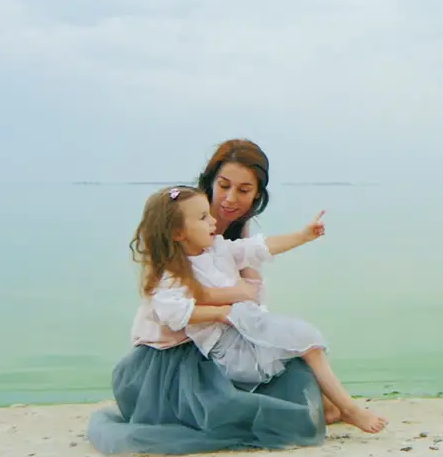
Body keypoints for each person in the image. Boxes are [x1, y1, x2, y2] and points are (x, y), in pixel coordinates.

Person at [86, 139, 355, 454]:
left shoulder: (228, 239)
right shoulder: (179, 223)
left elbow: (254, 282)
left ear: (257, 195)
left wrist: (301, 238)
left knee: (293, 360)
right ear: (210, 183)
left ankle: (328, 407)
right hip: (178, 348)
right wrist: (232, 300)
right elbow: (180, 300)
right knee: (262, 387)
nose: (229, 199)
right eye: (223, 186)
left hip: (223, 337)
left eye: (243, 190)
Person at [131, 185, 386, 433]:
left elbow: (258, 248)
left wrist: (303, 236)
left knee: (305, 343)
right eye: (202, 217)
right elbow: (173, 313)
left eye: (209, 213)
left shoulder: (219, 249)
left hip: (246, 327)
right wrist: (219, 312)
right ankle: (349, 409)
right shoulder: (174, 273)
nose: (212, 221)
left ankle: (333, 408)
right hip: (228, 346)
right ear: (178, 233)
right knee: (305, 343)